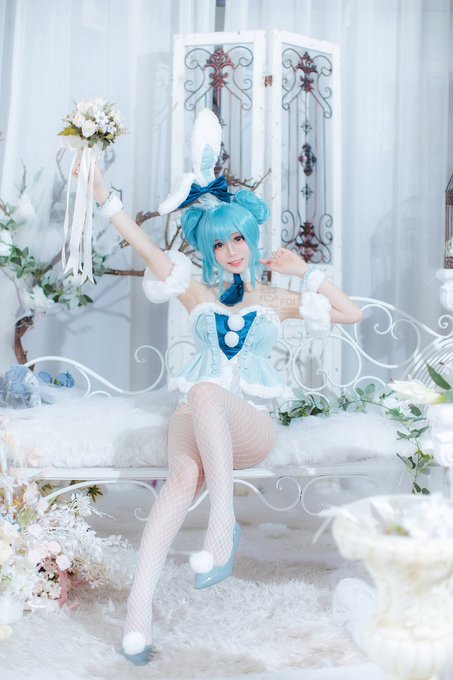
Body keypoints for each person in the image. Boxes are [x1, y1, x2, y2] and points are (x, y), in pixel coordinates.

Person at [74, 109, 362, 665]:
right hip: (195, 417)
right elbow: (145, 248)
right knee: (181, 476)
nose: (232, 250)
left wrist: (304, 271)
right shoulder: (197, 293)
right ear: (208, 250)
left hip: (249, 425)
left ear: (251, 238)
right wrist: (104, 195)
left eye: (238, 238)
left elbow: (351, 315)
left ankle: (222, 525)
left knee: (206, 395)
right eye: (220, 243)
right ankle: (137, 616)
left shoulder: (275, 299)